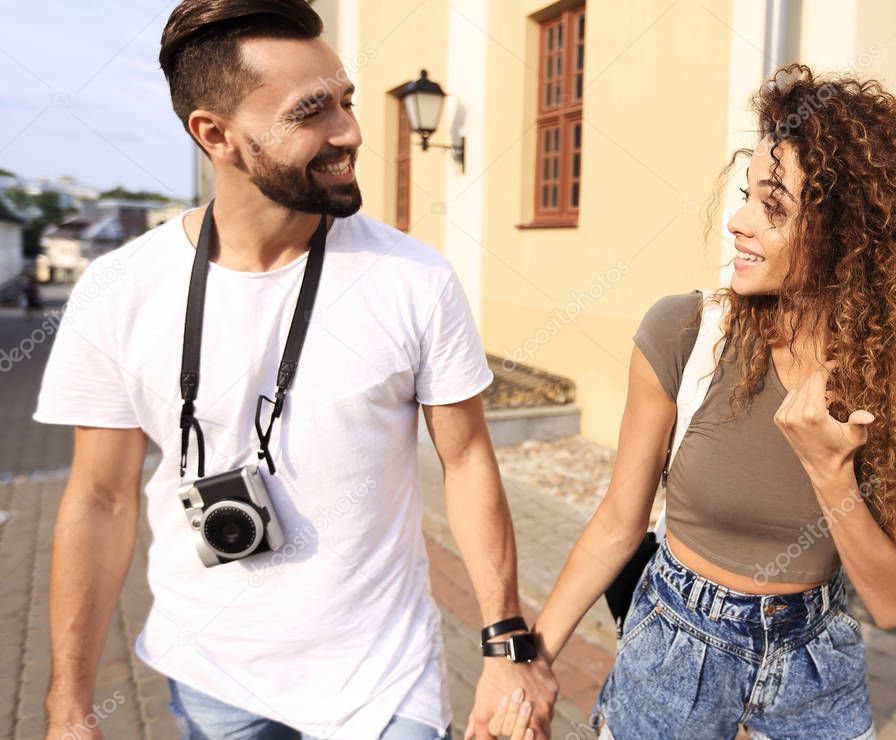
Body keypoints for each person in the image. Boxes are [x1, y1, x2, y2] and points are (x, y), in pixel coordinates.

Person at [34, 2, 557, 738]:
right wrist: (68, 704)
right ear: (215, 136)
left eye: (344, 99)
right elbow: (100, 498)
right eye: (312, 111)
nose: (349, 130)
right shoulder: (118, 289)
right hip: (211, 676)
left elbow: (467, 458)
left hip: (380, 683)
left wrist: (506, 643)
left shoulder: (414, 279)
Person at [485, 64, 896, 739]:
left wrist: (830, 475)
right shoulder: (683, 333)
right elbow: (615, 525)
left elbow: (892, 602)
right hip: (673, 652)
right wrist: (526, 664)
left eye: (772, 207)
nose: (738, 223)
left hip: (815, 662)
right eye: (746, 195)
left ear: (849, 239)